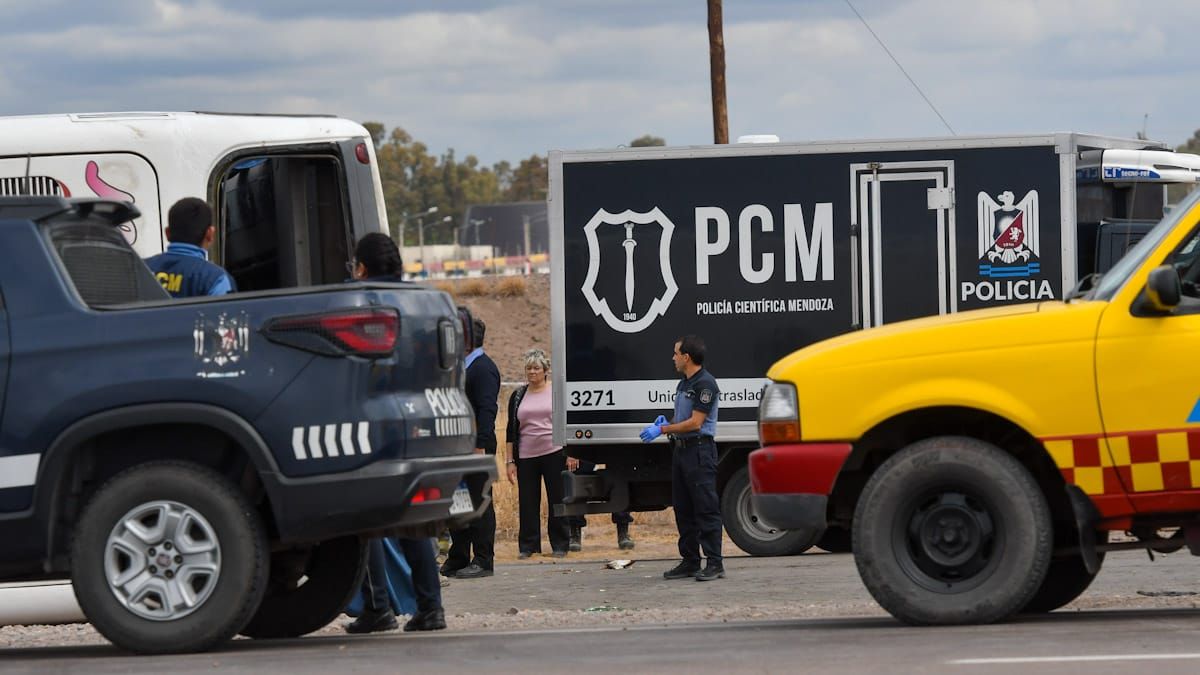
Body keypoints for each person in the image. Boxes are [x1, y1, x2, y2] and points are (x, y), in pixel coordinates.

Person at [344, 232, 446, 634]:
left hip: (373, 423)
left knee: (367, 520)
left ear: (363, 267)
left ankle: (377, 608)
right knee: (414, 520)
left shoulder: (357, 300)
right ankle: (431, 608)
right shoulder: (423, 300)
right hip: (419, 422)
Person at [640, 335, 724, 582]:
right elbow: (683, 420)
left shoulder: (705, 384)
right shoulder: (683, 384)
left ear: (687, 357)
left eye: (676, 353)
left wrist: (663, 430)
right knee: (683, 508)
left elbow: (697, 423)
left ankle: (715, 563)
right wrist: (667, 422)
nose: (673, 357)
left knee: (705, 507)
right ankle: (690, 561)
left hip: (699, 451)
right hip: (681, 451)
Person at [443, 318, 500, 579]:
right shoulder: (461, 368)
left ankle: (483, 559)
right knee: (459, 502)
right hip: (458, 447)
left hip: (477, 447)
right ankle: (458, 557)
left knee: (480, 502)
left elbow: (488, 410)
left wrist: (480, 446)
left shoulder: (483, 368)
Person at [504, 349, 570, 558]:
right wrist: (509, 461)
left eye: (536, 368)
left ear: (546, 371)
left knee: (557, 499)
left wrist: (572, 452)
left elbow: (567, 423)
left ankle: (560, 544)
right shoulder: (518, 396)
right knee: (528, 502)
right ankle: (528, 546)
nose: (532, 372)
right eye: (528, 368)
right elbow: (510, 430)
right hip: (526, 456)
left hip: (554, 452)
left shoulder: (556, 392)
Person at [144, 197, 236, 297]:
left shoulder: (138, 268)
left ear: (167, 233)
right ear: (210, 234)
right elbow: (225, 312)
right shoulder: (217, 279)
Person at [564, 462, 635, 551]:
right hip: (584, 450)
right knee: (577, 473)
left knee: (619, 474)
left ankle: (623, 532)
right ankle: (575, 533)